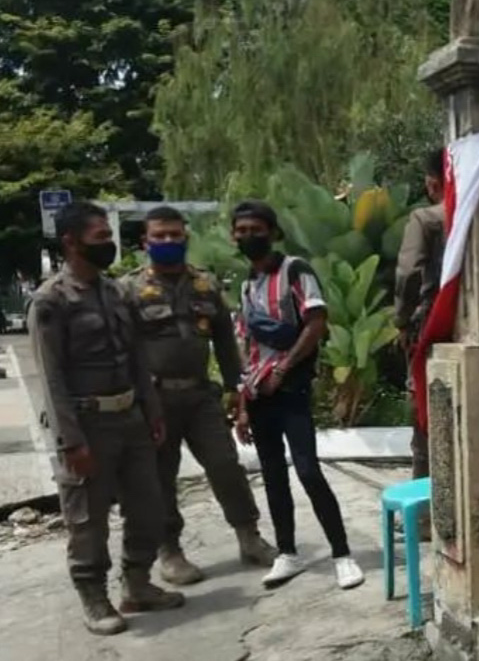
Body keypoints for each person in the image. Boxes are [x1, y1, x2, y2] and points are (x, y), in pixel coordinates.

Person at [29, 201, 184, 636]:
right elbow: (51, 377)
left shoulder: (115, 292)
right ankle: (93, 597)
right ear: (70, 242)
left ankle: (137, 585)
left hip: (131, 418)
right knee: (87, 520)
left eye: (109, 236)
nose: (109, 245)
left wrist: (152, 411)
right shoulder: (51, 301)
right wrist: (70, 441)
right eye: (100, 238)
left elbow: (136, 356)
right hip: (87, 424)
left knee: (149, 507)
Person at [120, 206, 277, 586]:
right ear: (146, 242)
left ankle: (248, 537)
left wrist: (235, 392)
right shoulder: (127, 290)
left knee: (225, 465)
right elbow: (123, 350)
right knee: (160, 478)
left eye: (176, 235)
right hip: (155, 399)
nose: (169, 241)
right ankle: (169, 551)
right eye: (160, 236)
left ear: (186, 238)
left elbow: (225, 344)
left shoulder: (205, 286)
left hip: (200, 398)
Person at [230, 200, 365, 590]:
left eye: (256, 229)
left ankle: (342, 554)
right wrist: (242, 405)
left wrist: (284, 369)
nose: (248, 237)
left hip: (290, 389)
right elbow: (247, 346)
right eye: (240, 231)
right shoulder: (246, 284)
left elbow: (316, 322)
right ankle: (287, 552)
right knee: (272, 475)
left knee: (307, 470)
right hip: (259, 394)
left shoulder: (294, 271)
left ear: (273, 232)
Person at [394, 148, 447, 479]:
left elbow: (408, 273)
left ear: (431, 182)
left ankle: (426, 510)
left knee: (425, 420)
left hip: (431, 326)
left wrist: (402, 319)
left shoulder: (426, 219)